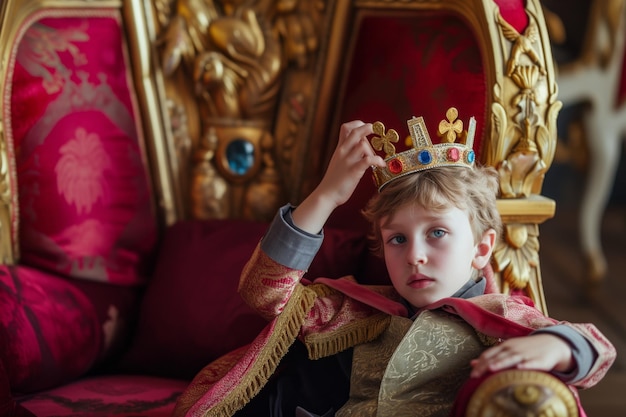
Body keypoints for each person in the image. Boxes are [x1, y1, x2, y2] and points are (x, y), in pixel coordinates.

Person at [174, 109, 616, 417]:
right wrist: (326, 195)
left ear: (482, 248)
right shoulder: (351, 310)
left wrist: (560, 346)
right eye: (397, 239)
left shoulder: (498, 316)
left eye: (437, 233)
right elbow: (263, 292)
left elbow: (597, 345)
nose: (415, 255)